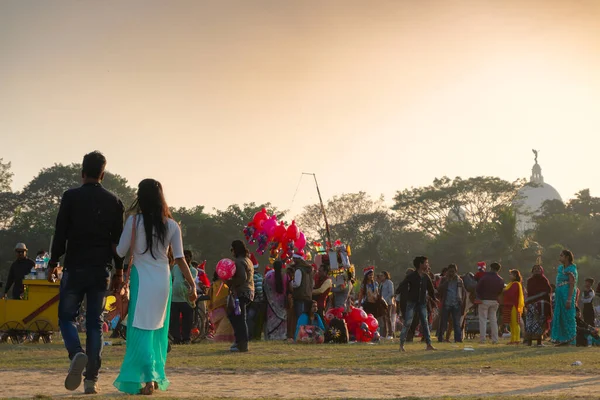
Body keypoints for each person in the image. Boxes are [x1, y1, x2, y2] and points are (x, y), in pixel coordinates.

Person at [47, 152, 125, 394]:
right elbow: (118, 242)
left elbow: (60, 233)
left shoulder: (70, 197)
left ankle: (76, 353)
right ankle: (91, 379)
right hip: (101, 270)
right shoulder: (114, 201)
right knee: (95, 322)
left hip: (74, 266)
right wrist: (119, 272)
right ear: (103, 174)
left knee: (66, 317)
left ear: (82, 172)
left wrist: (53, 262)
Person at [113, 179, 197, 395]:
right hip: (162, 281)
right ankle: (155, 375)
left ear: (140, 197)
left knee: (139, 329)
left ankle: (149, 379)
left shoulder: (133, 222)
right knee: (157, 330)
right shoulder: (171, 225)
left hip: (142, 280)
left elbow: (121, 252)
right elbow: (179, 259)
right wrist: (192, 285)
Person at [398, 257, 436, 352]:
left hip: (422, 303)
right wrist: (396, 292)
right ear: (420, 264)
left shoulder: (426, 277)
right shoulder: (412, 276)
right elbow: (403, 284)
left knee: (425, 323)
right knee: (407, 323)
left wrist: (434, 299)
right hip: (411, 302)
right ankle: (401, 344)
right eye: (426, 263)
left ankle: (429, 344)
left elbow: (431, 290)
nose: (427, 265)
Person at [227, 240, 255, 353]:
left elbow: (242, 278)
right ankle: (239, 341)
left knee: (239, 319)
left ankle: (242, 344)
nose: (231, 251)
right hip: (249, 291)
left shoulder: (239, 262)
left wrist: (230, 282)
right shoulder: (248, 260)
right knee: (235, 316)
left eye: (232, 249)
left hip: (241, 292)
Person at [169, 250, 199, 345]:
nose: (185, 259)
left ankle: (186, 338)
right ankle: (176, 338)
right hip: (174, 298)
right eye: (184, 257)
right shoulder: (175, 268)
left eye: (187, 257)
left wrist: (184, 269)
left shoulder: (193, 271)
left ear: (190, 258)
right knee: (174, 320)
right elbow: (172, 279)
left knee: (187, 320)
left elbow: (188, 281)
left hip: (186, 299)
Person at [551, 249, 578, 346]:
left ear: (567, 257)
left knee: (568, 316)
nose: (560, 257)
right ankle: (562, 340)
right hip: (559, 295)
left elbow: (572, 284)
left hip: (567, 295)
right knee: (560, 316)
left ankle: (571, 340)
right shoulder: (560, 268)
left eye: (561, 255)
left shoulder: (571, 269)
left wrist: (570, 299)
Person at [475, 262, 504, 344]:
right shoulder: (500, 279)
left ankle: (482, 339)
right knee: (494, 321)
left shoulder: (485, 277)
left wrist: (479, 296)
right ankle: (495, 339)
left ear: (491, 268)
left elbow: (478, 288)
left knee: (483, 320)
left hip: (484, 300)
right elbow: (500, 291)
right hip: (495, 301)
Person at [437, 264, 466, 343]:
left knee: (456, 323)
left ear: (456, 272)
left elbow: (463, 293)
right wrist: (447, 281)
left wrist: (462, 304)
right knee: (443, 323)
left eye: (453, 272)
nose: (451, 273)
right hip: (446, 304)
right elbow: (439, 290)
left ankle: (458, 339)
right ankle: (440, 338)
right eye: (449, 272)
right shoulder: (444, 279)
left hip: (456, 304)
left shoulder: (459, 280)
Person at [524, 265, 552, 346]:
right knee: (530, 322)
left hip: (541, 305)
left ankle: (539, 342)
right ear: (532, 271)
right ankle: (529, 342)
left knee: (540, 322)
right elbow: (530, 292)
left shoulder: (544, 280)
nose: (537, 270)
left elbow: (547, 291)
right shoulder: (530, 280)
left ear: (542, 271)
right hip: (531, 304)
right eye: (535, 269)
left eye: (539, 269)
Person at [263, 261, 289, 340]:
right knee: (282, 321)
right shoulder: (286, 276)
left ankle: (272, 336)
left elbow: (264, 289)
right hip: (282, 303)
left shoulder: (268, 277)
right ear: (282, 267)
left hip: (271, 304)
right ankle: (282, 336)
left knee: (272, 320)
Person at [207, 272, 235, 342]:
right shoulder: (223, 286)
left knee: (217, 329)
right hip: (222, 311)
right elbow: (225, 300)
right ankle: (219, 341)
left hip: (213, 312)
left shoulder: (213, 285)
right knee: (223, 330)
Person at [291, 252, 314, 333]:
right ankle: (307, 334)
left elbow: (297, 283)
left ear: (298, 259)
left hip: (300, 297)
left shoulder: (299, 270)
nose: (293, 260)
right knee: (307, 318)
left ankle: (300, 334)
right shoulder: (309, 270)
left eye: (294, 258)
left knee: (300, 318)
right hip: (308, 296)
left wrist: (290, 283)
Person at [503, 269, 524, 345]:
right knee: (511, 324)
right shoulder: (511, 284)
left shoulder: (516, 284)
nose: (509, 276)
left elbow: (510, 293)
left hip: (514, 306)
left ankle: (517, 339)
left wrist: (504, 291)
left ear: (515, 276)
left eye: (511, 274)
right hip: (510, 305)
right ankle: (512, 339)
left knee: (515, 323)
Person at [247, 254, 266, 341]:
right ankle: (255, 336)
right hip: (257, 301)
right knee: (256, 320)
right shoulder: (258, 276)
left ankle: (250, 335)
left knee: (249, 319)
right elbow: (259, 289)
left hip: (251, 301)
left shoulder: (250, 276)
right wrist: (262, 298)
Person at [378, 271, 395, 339]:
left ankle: (390, 334)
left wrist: (384, 300)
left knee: (388, 318)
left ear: (385, 276)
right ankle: (384, 334)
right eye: (380, 275)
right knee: (383, 318)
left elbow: (391, 293)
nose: (380, 277)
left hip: (388, 303)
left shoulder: (389, 283)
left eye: (382, 275)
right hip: (381, 303)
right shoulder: (381, 283)